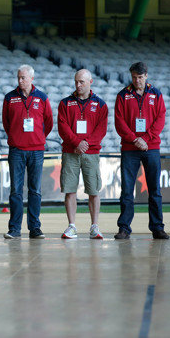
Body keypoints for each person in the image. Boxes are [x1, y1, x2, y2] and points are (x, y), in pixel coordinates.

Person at [114, 62, 168, 240]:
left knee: (155, 189)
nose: (137, 80)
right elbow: (119, 122)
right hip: (130, 148)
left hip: (151, 147)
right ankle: (124, 228)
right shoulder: (123, 95)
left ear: (146, 76)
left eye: (140, 77)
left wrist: (145, 139)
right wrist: (135, 139)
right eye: (134, 77)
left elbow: (160, 119)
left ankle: (157, 227)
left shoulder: (156, 94)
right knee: (127, 190)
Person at [2, 65, 53, 239]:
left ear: (32, 78)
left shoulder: (42, 97)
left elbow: (49, 122)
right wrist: (17, 138)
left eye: (23, 77)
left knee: (35, 190)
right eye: (18, 77)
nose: (20, 80)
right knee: (15, 190)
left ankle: (35, 228)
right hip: (16, 150)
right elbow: (6, 123)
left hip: (37, 150)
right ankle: (14, 229)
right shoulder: (9, 98)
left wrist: (38, 138)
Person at [58, 69, 108, 240]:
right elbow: (63, 127)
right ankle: (72, 226)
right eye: (76, 82)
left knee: (93, 190)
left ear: (90, 82)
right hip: (70, 151)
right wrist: (76, 143)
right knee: (70, 190)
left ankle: (94, 226)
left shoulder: (101, 105)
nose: (78, 85)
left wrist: (86, 144)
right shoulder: (65, 103)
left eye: (82, 82)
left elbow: (101, 129)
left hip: (91, 152)